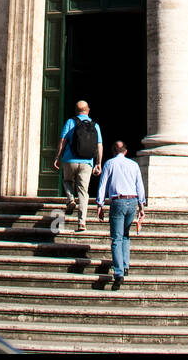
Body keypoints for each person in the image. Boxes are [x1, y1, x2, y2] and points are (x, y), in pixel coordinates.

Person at [97, 140, 146, 288]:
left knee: (116, 238)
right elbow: (140, 186)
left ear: (113, 152)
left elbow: (103, 184)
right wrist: (141, 206)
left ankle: (119, 274)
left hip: (118, 202)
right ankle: (125, 266)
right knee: (125, 235)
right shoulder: (134, 165)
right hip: (132, 201)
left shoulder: (109, 164)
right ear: (125, 152)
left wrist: (100, 204)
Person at [53, 100, 103, 231]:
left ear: (76, 111)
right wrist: (98, 163)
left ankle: (70, 199)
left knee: (67, 181)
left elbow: (63, 140)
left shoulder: (70, 122)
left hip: (70, 160)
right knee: (83, 192)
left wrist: (58, 157)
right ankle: (82, 222)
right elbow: (99, 145)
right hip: (87, 162)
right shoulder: (94, 125)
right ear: (88, 110)